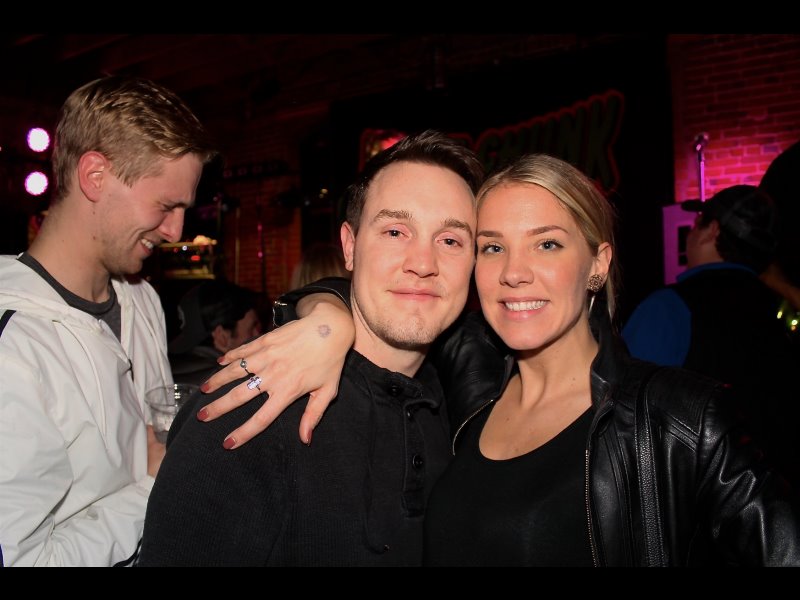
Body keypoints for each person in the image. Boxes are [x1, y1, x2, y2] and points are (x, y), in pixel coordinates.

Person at [203, 154, 800, 566]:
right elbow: (384, 290)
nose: (515, 272)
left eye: (547, 243)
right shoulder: (466, 385)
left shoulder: (679, 420)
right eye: (492, 247)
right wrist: (324, 321)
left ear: (597, 263)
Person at [136, 130, 483, 566]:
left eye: (450, 240)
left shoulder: (458, 399)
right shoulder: (249, 411)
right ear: (350, 247)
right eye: (396, 231)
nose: (423, 263)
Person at [0, 76, 216, 566]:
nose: (176, 231)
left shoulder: (142, 299)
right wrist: (155, 487)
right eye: (166, 206)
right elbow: (23, 560)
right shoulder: (14, 345)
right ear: (95, 176)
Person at [621, 185, 800, 485]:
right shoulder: (778, 316)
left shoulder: (668, 309)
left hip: (693, 500)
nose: (690, 235)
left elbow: (620, 414)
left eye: (696, 225)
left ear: (711, 231)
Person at [168, 280, 262, 386]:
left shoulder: (164, 371)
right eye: (252, 328)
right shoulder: (236, 383)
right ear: (222, 336)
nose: (258, 334)